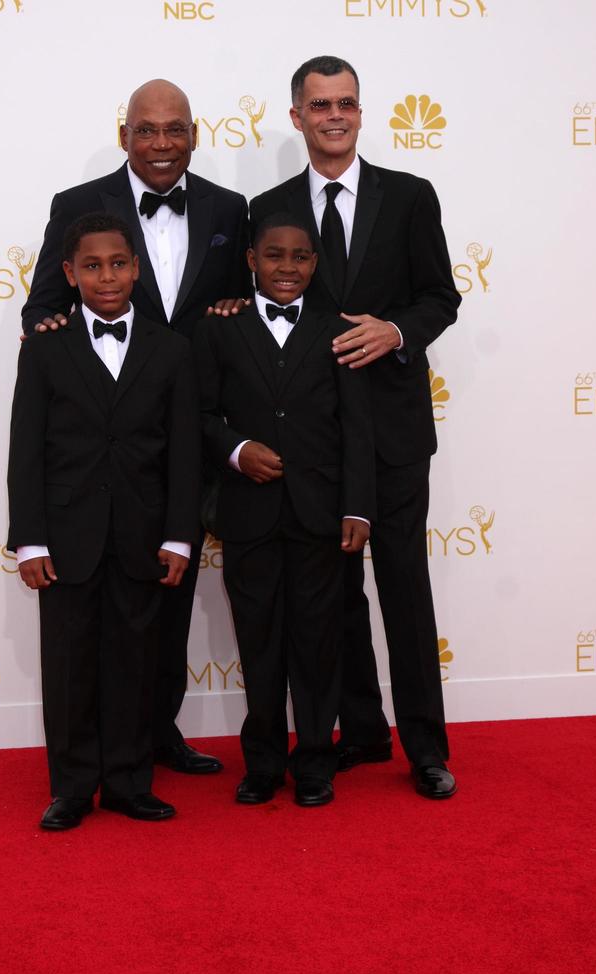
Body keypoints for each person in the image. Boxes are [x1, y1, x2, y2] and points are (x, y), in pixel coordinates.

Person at [22, 79, 252, 775]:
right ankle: (86, 756)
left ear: (194, 133)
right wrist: (54, 326)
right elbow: (42, 308)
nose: (161, 144)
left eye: (174, 129)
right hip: (95, 442)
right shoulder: (77, 206)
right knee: (89, 617)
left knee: (166, 597)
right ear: (125, 135)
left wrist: (237, 309)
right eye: (146, 130)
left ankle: (154, 734)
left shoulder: (228, 208)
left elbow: (241, 301)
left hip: (187, 436)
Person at [249, 56, 462, 799]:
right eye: (319, 105)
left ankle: (427, 749)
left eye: (346, 103)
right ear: (297, 117)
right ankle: (362, 731)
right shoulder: (267, 205)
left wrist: (396, 332)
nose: (333, 116)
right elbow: (250, 302)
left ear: (361, 113)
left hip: (395, 431)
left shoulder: (409, 197)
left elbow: (442, 297)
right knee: (329, 596)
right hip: (312, 441)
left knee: (405, 588)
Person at [7, 213, 202, 829]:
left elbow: (184, 453)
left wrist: (178, 534)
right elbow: (26, 449)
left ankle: (127, 782)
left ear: (137, 268)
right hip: (66, 537)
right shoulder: (44, 348)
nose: (107, 276)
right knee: (68, 665)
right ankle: (71, 786)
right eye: (91, 266)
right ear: (69, 274)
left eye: (118, 264)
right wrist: (29, 540)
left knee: (134, 663)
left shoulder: (171, 351)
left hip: (143, 536)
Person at [193, 214, 375, 807]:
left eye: (300, 257)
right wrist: (237, 450)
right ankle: (264, 764)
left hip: (320, 515)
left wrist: (358, 509)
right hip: (248, 516)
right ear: (251, 260)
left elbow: (356, 427)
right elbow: (199, 415)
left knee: (318, 643)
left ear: (315, 265)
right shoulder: (221, 328)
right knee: (259, 642)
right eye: (275, 256)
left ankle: (316, 762)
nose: (288, 268)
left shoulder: (335, 330)